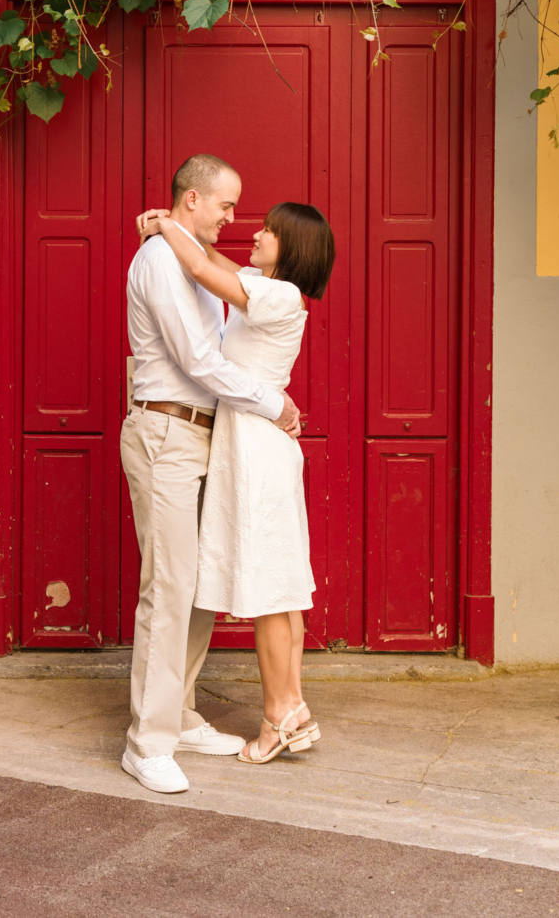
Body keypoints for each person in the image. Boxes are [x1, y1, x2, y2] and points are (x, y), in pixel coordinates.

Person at [121, 153, 302, 795]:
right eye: (225, 204)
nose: (234, 217)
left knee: (198, 589)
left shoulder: (190, 256)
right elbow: (198, 359)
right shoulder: (162, 262)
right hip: (167, 432)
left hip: (202, 438)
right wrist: (271, 401)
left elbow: (219, 281)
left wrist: (163, 226)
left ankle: (180, 714)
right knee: (169, 589)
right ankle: (147, 742)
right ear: (192, 199)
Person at [138, 198, 335, 765]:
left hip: (256, 445)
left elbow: (201, 270)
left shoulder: (278, 294)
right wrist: (174, 227)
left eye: (269, 232)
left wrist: (165, 225)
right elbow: (215, 258)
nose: (255, 233)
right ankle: (291, 706)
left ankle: (278, 716)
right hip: (260, 443)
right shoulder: (265, 284)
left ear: (290, 247)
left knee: (272, 592)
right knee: (283, 586)